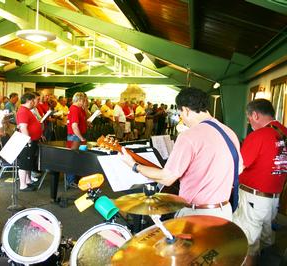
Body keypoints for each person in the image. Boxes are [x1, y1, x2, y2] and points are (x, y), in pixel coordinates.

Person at [120, 87, 242, 221]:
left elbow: (167, 178)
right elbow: (239, 168)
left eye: (181, 114)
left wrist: (134, 165)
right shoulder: (230, 133)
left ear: (186, 110)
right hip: (224, 212)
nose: (182, 119)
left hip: (197, 213)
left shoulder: (189, 136)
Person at [233, 99, 287, 265]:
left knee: (247, 243)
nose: (249, 123)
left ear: (255, 115)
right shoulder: (284, 132)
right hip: (274, 198)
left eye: (249, 119)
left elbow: (238, 167)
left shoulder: (258, 135)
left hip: (254, 199)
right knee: (263, 239)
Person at [16, 92, 42, 190]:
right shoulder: (23, 111)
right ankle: (23, 185)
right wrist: (28, 140)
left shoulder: (26, 110)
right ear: (29, 101)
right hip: (26, 141)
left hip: (31, 140)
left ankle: (27, 181)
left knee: (28, 162)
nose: (33, 102)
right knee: (24, 162)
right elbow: (23, 127)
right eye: (32, 100)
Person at [66, 92, 88, 186]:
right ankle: (71, 181)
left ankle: (75, 179)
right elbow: (74, 126)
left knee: (77, 158)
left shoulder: (79, 109)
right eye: (84, 100)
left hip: (77, 136)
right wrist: (81, 138)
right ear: (79, 100)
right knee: (73, 159)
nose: (85, 102)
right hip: (75, 137)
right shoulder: (74, 109)